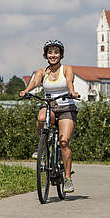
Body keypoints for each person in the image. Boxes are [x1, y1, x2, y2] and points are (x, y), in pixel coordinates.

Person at [20, 40, 79, 192]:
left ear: (61, 55)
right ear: (46, 55)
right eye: (50, 52)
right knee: (41, 117)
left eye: (56, 52)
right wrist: (26, 91)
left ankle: (67, 179)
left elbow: (70, 82)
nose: (53, 55)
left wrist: (72, 91)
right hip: (49, 106)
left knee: (64, 142)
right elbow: (34, 83)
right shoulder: (42, 72)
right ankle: (42, 146)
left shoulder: (66, 69)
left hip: (66, 107)